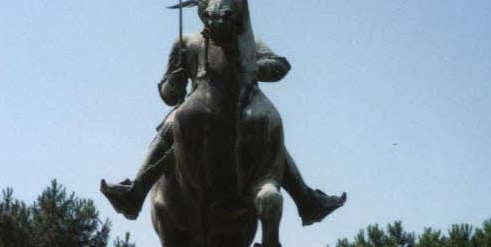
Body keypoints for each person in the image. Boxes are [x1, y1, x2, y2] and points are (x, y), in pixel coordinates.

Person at [100, 36, 345, 225]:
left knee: (270, 136)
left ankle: (306, 201)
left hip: (241, 109)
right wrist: (173, 84)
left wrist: (249, 68)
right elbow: (167, 94)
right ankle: (136, 193)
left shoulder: (247, 41)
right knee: (173, 121)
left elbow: (280, 66)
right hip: (197, 110)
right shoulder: (186, 42)